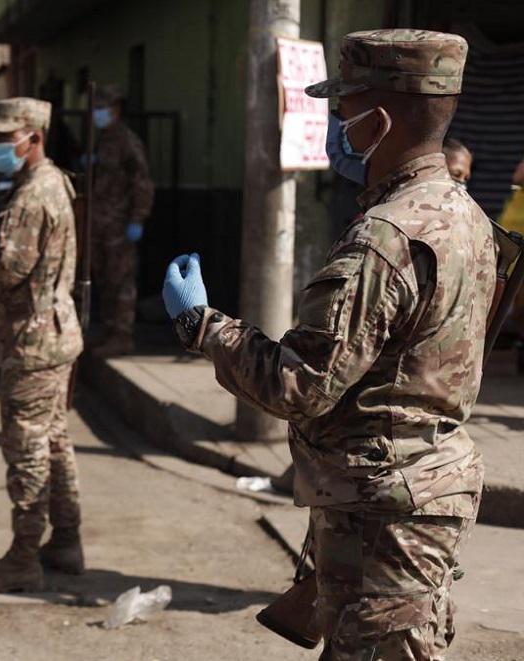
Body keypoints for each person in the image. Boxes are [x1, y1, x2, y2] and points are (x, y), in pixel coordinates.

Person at [163, 31, 489, 660]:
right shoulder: (463, 213)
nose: (336, 123)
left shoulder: (385, 237)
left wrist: (203, 326)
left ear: (379, 121)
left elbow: (299, 384)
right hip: (414, 489)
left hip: (386, 507)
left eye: (344, 109)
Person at [0, 98, 84, 593]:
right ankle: (66, 541)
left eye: (4, 137)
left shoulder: (34, 195)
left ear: (33, 137)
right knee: (54, 441)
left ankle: (23, 559)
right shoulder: (53, 183)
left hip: (32, 342)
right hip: (53, 333)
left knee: (27, 449)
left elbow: (6, 268)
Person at [90, 85, 154, 357]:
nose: (98, 113)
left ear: (115, 109)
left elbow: (142, 182)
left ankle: (122, 335)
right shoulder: (104, 139)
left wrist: (137, 218)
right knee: (104, 278)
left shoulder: (127, 141)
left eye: (102, 108)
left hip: (119, 223)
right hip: (101, 222)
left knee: (121, 279)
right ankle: (109, 332)